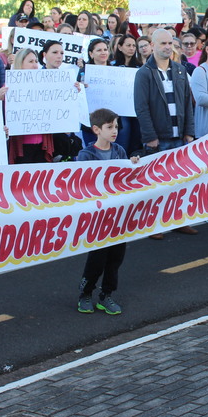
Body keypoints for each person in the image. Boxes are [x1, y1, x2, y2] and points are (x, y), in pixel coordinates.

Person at [134, 29, 198, 237]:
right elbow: (141, 108)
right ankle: (153, 225)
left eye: (170, 43)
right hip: (158, 138)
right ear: (152, 45)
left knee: (180, 183)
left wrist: (189, 132)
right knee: (156, 185)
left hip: (179, 136)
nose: (168, 47)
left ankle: (178, 220)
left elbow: (188, 103)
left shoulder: (180, 70)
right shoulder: (144, 73)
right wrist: (150, 137)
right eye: (163, 43)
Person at [75, 108, 140, 315]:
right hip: (98, 217)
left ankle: (107, 294)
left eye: (117, 127)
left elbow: (126, 179)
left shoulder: (120, 151)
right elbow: (81, 184)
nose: (115, 131)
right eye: (110, 127)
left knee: (115, 258)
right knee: (97, 258)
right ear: (96, 129)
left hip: (118, 217)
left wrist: (133, 165)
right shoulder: (86, 155)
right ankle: (85, 293)